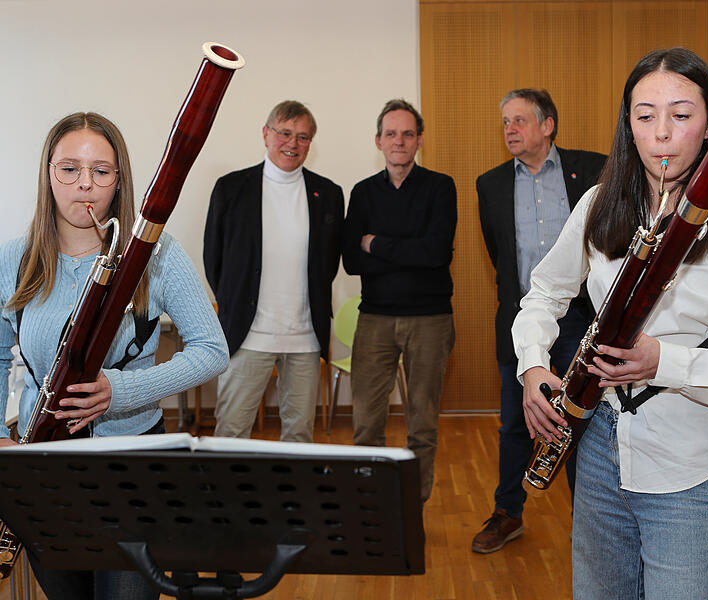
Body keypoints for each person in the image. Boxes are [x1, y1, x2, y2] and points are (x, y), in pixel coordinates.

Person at [512, 48, 708, 599]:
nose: (662, 133)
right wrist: (532, 366)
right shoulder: (600, 203)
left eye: (681, 115)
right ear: (629, 125)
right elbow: (544, 293)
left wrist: (666, 363)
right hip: (598, 449)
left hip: (687, 467)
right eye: (645, 116)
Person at [0, 112, 229, 599]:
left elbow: (212, 351)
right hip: (46, 470)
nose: (85, 184)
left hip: (134, 471)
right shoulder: (13, 259)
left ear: (119, 178)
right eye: (69, 169)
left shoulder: (156, 253)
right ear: (47, 173)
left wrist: (120, 390)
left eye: (100, 171)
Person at [473, 88, 605, 553]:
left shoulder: (593, 170)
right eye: (505, 122)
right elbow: (500, 255)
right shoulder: (490, 184)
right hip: (521, 322)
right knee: (515, 422)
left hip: (580, 321)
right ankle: (507, 512)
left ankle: (586, 520)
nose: (509, 129)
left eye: (519, 120)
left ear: (547, 125)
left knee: (579, 423)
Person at [204, 100, 344, 442]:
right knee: (231, 433)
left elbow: (327, 263)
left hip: (305, 338)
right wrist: (234, 302)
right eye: (284, 133)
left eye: (303, 137)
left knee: (300, 436)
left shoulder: (329, 194)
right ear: (266, 134)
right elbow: (214, 259)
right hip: (248, 336)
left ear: (310, 143)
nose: (292, 143)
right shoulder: (231, 188)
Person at [343, 99, 456, 502]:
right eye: (391, 134)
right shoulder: (362, 193)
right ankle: (370, 505)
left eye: (408, 134)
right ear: (378, 140)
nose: (399, 141)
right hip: (374, 319)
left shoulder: (440, 187)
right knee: (366, 424)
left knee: (422, 426)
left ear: (419, 140)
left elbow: (436, 254)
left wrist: (377, 244)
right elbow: (351, 261)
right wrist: (410, 251)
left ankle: (412, 508)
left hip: (430, 320)